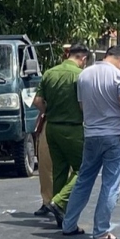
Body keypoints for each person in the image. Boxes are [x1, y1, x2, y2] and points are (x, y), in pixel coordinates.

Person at [60, 45, 120, 239]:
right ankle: (101, 230)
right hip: (115, 136)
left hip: (91, 135)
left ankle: (68, 225)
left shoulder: (84, 75)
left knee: (84, 180)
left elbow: (82, 106)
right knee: (110, 185)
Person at [35, 43, 91, 227]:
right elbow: (84, 105)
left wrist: (49, 111)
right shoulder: (81, 76)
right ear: (83, 58)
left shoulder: (50, 73)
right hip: (72, 128)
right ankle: (59, 202)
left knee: (60, 170)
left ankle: (61, 215)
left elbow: (38, 101)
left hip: (52, 127)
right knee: (84, 169)